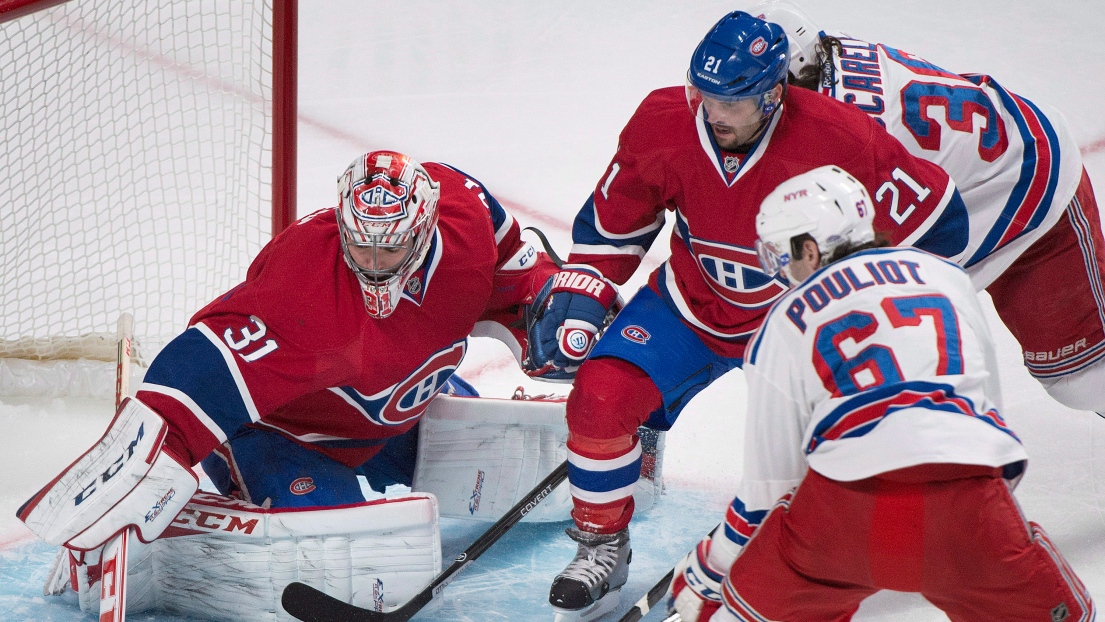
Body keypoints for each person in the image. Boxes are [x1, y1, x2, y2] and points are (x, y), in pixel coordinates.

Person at [525, 10, 977, 621]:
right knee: (601, 397)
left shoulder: (840, 137)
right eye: (703, 94)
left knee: (824, 458)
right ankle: (603, 544)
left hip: (800, 327)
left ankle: (827, 554)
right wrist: (585, 287)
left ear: (773, 94)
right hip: (692, 303)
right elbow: (615, 223)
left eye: (731, 102)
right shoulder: (664, 120)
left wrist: (880, 298)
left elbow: (940, 225)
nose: (713, 113)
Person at [17, 151, 560, 589]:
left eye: (389, 250)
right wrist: (147, 455)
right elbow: (199, 371)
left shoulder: (462, 210)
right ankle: (198, 517)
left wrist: (543, 313)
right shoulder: (301, 289)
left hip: (398, 406)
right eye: (359, 247)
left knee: (541, 446)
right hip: (290, 436)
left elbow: (516, 266)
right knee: (363, 563)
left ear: (423, 229)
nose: (372, 265)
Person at [668, 165, 1095, 622]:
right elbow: (987, 415)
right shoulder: (945, 275)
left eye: (783, 254)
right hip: (968, 507)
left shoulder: (785, 318)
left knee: (747, 612)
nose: (783, 270)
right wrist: (984, 530)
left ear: (810, 249)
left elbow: (769, 491)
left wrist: (711, 569)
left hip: (841, 517)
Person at [753, 0, 1105, 415]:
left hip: (1029, 184)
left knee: (1083, 379)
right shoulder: (826, 64)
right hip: (971, 183)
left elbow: (890, 242)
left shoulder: (854, 131)